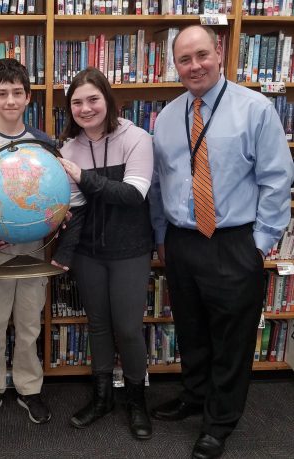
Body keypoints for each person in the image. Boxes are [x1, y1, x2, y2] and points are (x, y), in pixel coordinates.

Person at [149, 25, 294, 459]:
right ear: (174, 65)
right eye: (184, 59)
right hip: (182, 242)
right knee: (191, 327)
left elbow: (277, 178)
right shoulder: (168, 116)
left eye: (201, 55)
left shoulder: (255, 109)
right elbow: (159, 184)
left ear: (220, 53)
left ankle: (220, 421)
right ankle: (194, 395)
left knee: (231, 337)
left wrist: (260, 242)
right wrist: (161, 236)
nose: (194, 66)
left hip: (234, 241)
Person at [50, 66, 154, 440]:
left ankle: (136, 401)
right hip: (89, 254)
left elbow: (131, 196)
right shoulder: (69, 149)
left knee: (127, 327)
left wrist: (82, 175)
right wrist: (65, 253)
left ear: (107, 100)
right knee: (97, 325)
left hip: (130, 250)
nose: (85, 108)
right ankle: (102, 396)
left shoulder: (137, 138)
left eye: (93, 99)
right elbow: (76, 211)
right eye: (77, 102)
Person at [0, 58, 52, 426]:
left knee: (30, 322)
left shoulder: (45, 143)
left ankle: (30, 388)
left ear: (29, 97)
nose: (10, 100)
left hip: (34, 247)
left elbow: (55, 197)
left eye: (18, 92)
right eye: (2, 93)